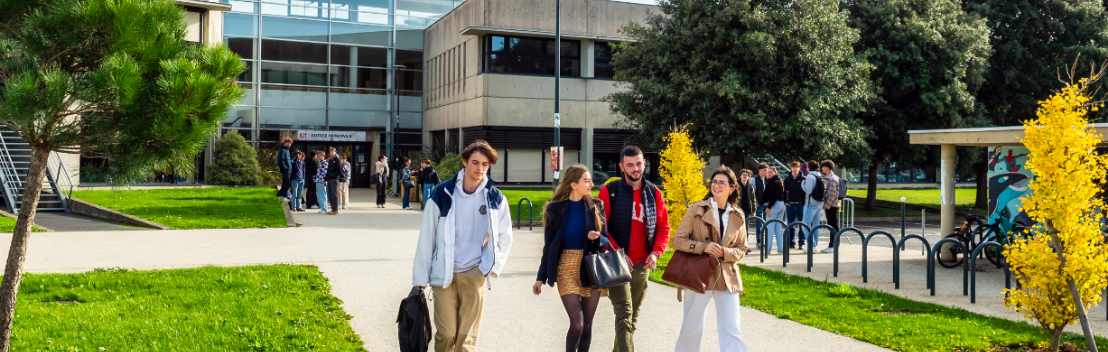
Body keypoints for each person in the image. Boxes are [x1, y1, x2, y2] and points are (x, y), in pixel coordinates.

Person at [412, 140, 513, 352]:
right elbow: (427, 236)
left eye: (485, 164)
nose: (480, 168)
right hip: (444, 274)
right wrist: (420, 278)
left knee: (466, 341)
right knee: (446, 334)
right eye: (475, 162)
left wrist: (490, 267)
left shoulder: (495, 197)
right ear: (464, 162)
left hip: (474, 273)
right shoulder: (442, 193)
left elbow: (505, 236)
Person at [597, 146, 671, 352]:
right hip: (616, 261)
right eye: (630, 165)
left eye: (639, 163)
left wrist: (656, 253)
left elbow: (664, 228)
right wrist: (619, 253)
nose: (635, 168)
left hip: (642, 263)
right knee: (624, 313)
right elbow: (602, 227)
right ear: (621, 167)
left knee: (631, 318)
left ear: (644, 164)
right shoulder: (609, 191)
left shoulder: (653, 193)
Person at [534, 164, 612, 352]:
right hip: (566, 267)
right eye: (586, 181)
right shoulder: (555, 209)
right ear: (573, 184)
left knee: (586, 325)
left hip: (591, 267)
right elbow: (549, 246)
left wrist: (597, 238)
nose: (591, 184)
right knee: (577, 323)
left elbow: (606, 240)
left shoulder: (596, 206)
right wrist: (540, 277)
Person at [671, 166, 749, 352]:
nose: (716, 185)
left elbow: (742, 248)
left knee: (732, 329)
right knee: (691, 327)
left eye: (722, 182)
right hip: (699, 275)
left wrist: (725, 253)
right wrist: (703, 247)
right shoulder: (696, 209)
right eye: (714, 181)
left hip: (727, 277)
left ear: (731, 188)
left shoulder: (738, 214)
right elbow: (678, 240)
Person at [800, 160, 824, 249]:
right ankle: (815, 245)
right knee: (815, 225)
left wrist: (803, 183)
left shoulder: (810, 176)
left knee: (805, 224)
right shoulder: (819, 175)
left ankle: (812, 245)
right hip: (819, 202)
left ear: (809, 167)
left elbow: (808, 190)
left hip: (810, 202)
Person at [783, 161, 806, 250]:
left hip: (800, 204)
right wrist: (786, 201)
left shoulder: (803, 178)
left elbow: (805, 191)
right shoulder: (787, 179)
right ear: (791, 168)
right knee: (790, 225)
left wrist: (804, 201)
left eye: (796, 167)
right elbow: (784, 191)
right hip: (790, 205)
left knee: (802, 224)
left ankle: (801, 242)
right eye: (793, 167)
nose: (794, 168)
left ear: (799, 168)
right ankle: (791, 242)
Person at [763, 167, 786, 254]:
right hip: (781, 204)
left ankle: (768, 249)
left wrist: (768, 207)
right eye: (768, 172)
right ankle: (780, 249)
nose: (769, 174)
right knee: (778, 227)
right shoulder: (779, 181)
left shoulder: (773, 183)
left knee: (770, 227)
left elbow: (773, 196)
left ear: (775, 173)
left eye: (771, 172)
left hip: (775, 204)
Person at [820, 160, 841, 254]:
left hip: (832, 206)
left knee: (833, 226)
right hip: (831, 205)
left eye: (823, 167)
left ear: (827, 168)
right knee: (832, 225)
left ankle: (834, 245)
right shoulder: (829, 178)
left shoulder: (832, 179)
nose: (822, 168)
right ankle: (831, 245)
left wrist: (826, 206)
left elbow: (832, 194)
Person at [324, 147, 341, 215]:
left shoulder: (337, 159)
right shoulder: (331, 160)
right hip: (330, 179)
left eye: (332, 152)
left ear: (335, 152)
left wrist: (332, 175)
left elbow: (339, 170)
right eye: (330, 152)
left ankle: (335, 209)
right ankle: (333, 208)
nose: (331, 153)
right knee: (330, 194)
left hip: (334, 179)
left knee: (333, 194)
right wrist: (326, 178)